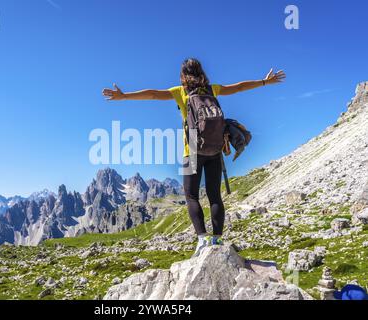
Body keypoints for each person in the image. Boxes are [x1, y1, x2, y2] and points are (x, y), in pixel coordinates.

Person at [103, 58, 286, 257]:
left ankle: (202, 239)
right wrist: (264, 81)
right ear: (201, 72)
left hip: (191, 149)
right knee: (215, 195)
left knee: (191, 196)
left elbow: (153, 94)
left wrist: (124, 96)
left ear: (183, 75)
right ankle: (217, 239)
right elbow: (239, 87)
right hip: (215, 149)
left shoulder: (181, 92)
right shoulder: (212, 90)